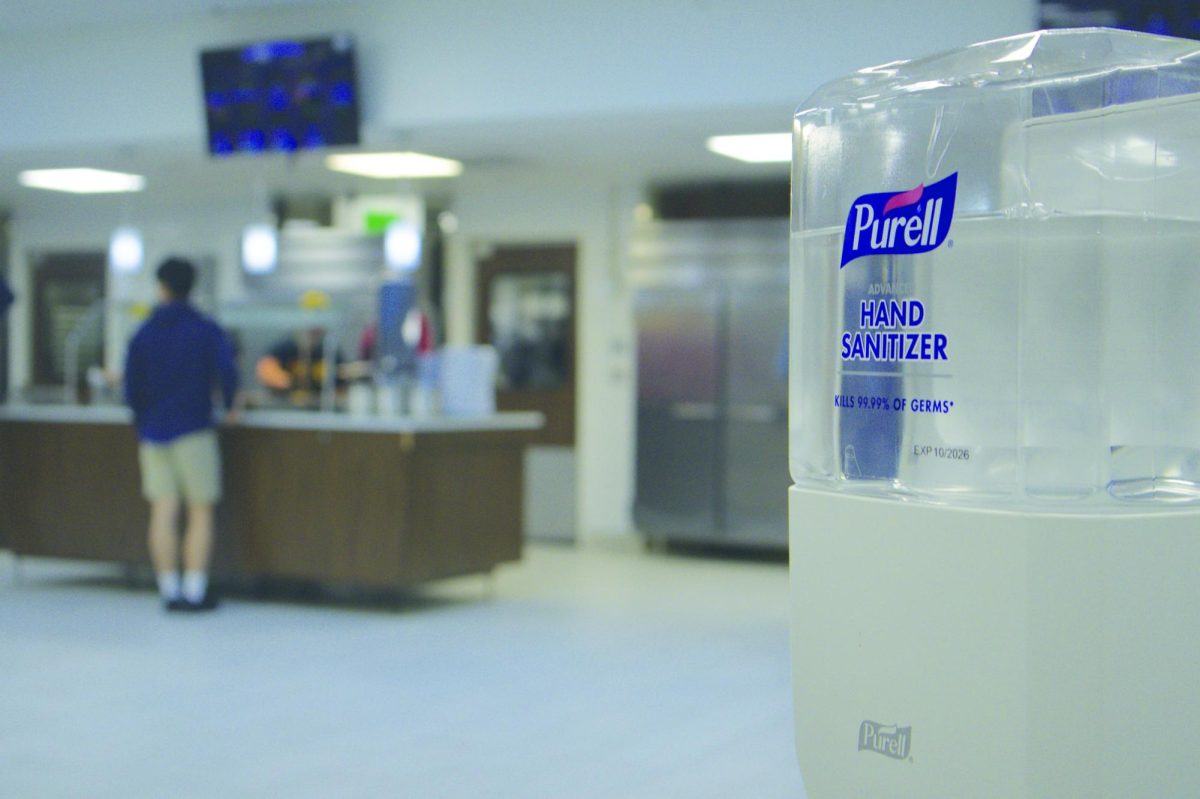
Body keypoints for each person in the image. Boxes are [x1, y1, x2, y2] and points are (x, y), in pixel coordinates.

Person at [124, 257, 239, 612]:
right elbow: (228, 373)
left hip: (154, 432)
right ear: (192, 288)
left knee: (163, 509)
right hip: (194, 429)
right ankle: (194, 589)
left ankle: (168, 590)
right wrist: (231, 405)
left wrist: (145, 419)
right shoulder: (206, 329)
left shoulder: (143, 333)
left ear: (161, 287)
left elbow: (131, 389)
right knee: (200, 509)